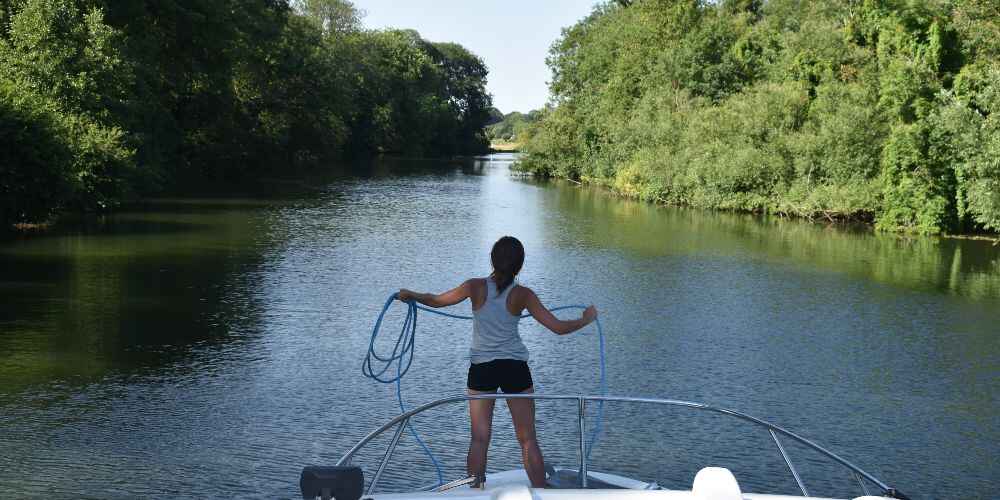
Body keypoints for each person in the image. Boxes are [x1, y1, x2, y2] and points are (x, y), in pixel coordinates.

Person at [398, 236, 597, 489]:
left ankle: (475, 490)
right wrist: (586, 319)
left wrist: (410, 295)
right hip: (514, 368)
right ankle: (541, 489)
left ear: (492, 259)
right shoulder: (523, 294)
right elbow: (557, 327)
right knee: (527, 438)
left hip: (482, 369)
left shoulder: (474, 287)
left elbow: (437, 300)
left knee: (479, 438)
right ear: (519, 265)